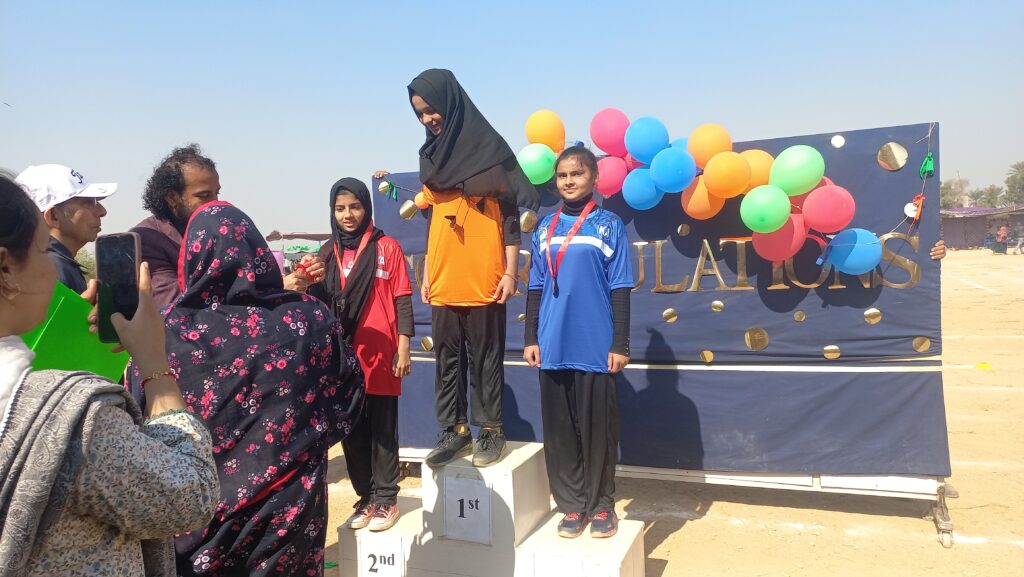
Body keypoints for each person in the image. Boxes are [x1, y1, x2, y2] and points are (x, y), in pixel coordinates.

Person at [128, 201, 364, 576]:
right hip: (289, 519)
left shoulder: (162, 331)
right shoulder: (309, 317)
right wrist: (295, 448)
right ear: (257, 252)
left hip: (198, 529)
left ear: (192, 257)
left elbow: (139, 421)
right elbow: (347, 400)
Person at [0, 173, 218, 576]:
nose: (52, 269)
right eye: (43, 251)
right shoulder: (78, 424)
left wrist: (65, 332)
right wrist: (155, 364)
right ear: (5, 268)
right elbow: (191, 495)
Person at [403, 68, 539, 468]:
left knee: (485, 358)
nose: (428, 118)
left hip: (486, 278)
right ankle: (455, 431)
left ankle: (491, 430)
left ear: (451, 102)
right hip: (444, 279)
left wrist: (510, 273)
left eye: (432, 109)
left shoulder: (490, 153)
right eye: (420, 113)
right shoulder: (431, 157)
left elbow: (510, 221)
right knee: (447, 359)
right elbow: (434, 221)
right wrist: (429, 272)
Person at [523, 146, 633, 539]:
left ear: (593, 178)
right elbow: (535, 286)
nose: (569, 181)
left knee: (597, 429)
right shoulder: (543, 228)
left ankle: (601, 505)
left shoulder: (609, 225)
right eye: (562, 175)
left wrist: (620, 343)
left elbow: (621, 286)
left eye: (577, 174)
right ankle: (572, 504)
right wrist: (530, 337)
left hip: (595, 344)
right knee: (560, 430)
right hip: (552, 343)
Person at [308, 178, 413, 532]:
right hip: (344, 356)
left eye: (354, 207)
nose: (348, 215)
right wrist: (308, 278)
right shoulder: (326, 253)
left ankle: (387, 499)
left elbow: (402, 299)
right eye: (340, 209)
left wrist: (403, 346)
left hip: (382, 353)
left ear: (366, 207)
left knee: (383, 429)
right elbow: (317, 303)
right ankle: (366, 497)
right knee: (351, 430)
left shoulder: (387, 247)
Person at [132, 144, 322, 310]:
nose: (214, 203)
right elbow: (177, 309)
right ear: (173, 198)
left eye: (217, 194)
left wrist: (300, 274)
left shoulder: (221, 232)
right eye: (204, 196)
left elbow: (249, 275)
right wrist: (275, 291)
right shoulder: (149, 241)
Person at [15, 163, 116, 295]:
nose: (102, 211)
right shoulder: (51, 270)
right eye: (88, 203)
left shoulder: (50, 264)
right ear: (54, 216)